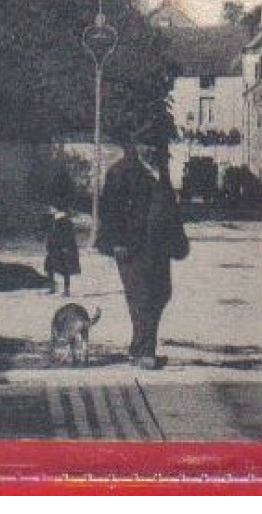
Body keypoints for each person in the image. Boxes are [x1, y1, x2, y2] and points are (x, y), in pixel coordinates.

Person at [96, 138, 189, 369]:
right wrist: (117, 241)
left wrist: (179, 241)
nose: (151, 149)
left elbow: (170, 209)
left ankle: (140, 348)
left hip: (159, 246)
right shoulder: (121, 172)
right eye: (145, 144)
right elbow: (110, 210)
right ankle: (145, 352)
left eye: (154, 145)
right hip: (131, 246)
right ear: (134, 146)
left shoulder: (161, 172)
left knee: (161, 294)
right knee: (141, 296)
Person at [44, 205, 80, 296]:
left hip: (62, 248)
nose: (49, 209)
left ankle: (66, 290)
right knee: (49, 267)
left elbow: (68, 235)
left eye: (51, 207)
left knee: (64, 269)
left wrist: (66, 247)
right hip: (54, 248)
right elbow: (51, 234)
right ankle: (52, 287)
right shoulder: (53, 219)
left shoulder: (65, 220)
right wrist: (49, 245)